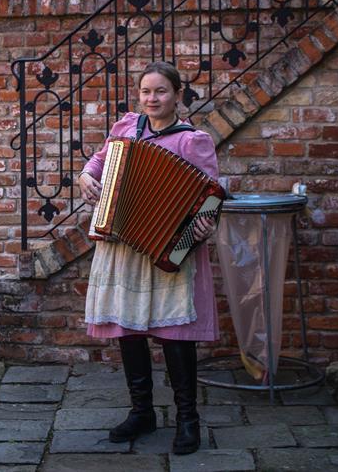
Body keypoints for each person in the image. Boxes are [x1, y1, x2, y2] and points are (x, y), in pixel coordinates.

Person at [79, 61, 219, 455]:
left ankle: (187, 419)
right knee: (128, 328)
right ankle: (142, 413)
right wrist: (86, 177)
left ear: (177, 94)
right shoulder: (126, 129)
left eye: (160, 91)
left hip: (166, 248)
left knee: (174, 334)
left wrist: (203, 224)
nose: (151, 99)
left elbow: (210, 198)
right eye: (145, 92)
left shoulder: (193, 141)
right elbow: (98, 162)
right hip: (121, 242)